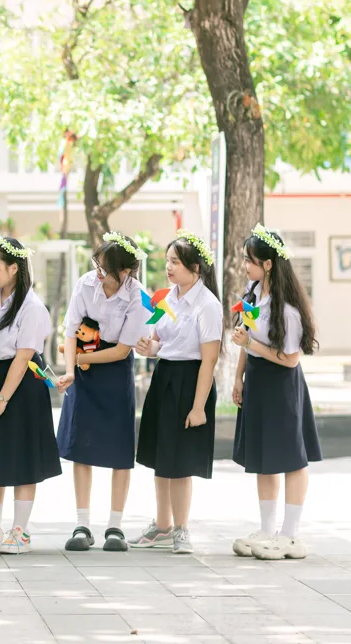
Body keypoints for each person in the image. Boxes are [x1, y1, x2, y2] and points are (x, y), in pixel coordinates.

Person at [0, 233, 61, 555]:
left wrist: (3, 400)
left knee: (22, 455)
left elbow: (23, 358)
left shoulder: (31, 306)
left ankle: (20, 530)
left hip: (21, 384)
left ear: (14, 268)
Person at [230, 226, 321, 561]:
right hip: (257, 381)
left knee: (291, 459)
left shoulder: (288, 310)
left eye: (249, 260)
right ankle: (267, 530)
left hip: (281, 385)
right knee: (264, 458)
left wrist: (250, 345)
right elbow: (245, 336)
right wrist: (238, 377)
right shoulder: (253, 295)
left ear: (268, 264)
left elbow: (291, 359)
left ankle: (290, 536)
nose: (245, 266)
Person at [55, 232, 148, 553]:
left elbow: (122, 350)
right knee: (81, 445)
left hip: (115, 370)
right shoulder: (85, 284)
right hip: (83, 370)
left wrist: (83, 360)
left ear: (125, 272)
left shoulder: (137, 297)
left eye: (105, 269)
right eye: (97, 265)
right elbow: (70, 331)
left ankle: (115, 527)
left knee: (120, 449)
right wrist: (71, 369)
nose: (98, 273)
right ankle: (82, 524)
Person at [132, 231, 223, 554]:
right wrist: (150, 347)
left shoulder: (207, 305)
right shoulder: (166, 298)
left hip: (190, 381)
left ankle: (182, 529)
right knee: (161, 457)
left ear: (195, 267)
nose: (168, 267)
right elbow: (159, 340)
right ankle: (162, 525)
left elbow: (209, 359)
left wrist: (198, 407)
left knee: (181, 461)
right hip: (164, 378)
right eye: (167, 261)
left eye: (175, 262)